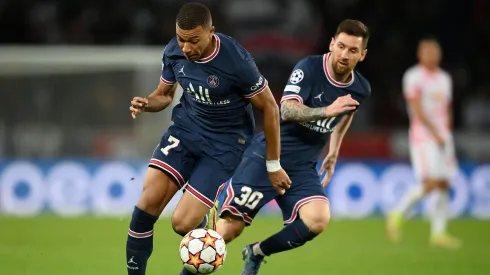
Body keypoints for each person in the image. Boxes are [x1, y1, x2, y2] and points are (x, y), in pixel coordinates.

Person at [126, 3, 291, 275]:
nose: (186, 47)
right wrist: (147, 103)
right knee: (147, 204)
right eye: (181, 39)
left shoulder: (236, 62)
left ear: (211, 33)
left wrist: (273, 164)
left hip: (225, 144)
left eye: (193, 41)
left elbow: (270, 107)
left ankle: (205, 228)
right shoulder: (174, 52)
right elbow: (164, 95)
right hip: (186, 131)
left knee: (182, 223)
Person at [212, 19, 371, 274]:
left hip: (302, 166)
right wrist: (327, 110)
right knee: (228, 231)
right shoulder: (309, 68)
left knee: (318, 219)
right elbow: (287, 108)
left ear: (362, 55)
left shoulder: (361, 88)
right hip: (270, 156)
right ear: (332, 44)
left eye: (352, 50)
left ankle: (257, 252)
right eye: (340, 46)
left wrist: (333, 151)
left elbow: (347, 113)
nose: (344, 54)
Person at [386, 37, 460, 249]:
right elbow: (416, 109)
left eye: (435, 51)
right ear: (420, 54)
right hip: (424, 137)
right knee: (431, 182)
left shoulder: (445, 78)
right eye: (428, 51)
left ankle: (439, 234)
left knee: (444, 183)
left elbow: (447, 108)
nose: (432, 55)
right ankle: (397, 213)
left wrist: (446, 132)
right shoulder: (413, 76)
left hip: (443, 137)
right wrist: (435, 132)